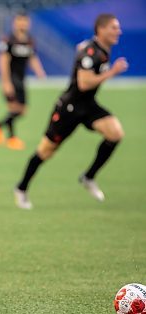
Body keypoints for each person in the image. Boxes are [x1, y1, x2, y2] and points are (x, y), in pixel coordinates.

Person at [14, 14, 128, 209]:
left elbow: (83, 52)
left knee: (115, 133)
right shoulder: (91, 52)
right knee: (45, 152)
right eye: (114, 28)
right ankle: (21, 188)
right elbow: (84, 83)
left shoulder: (98, 48)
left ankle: (88, 177)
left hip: (88, 105)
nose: (119, 31)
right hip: (69, 108)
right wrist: (112, 72)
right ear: (101, 29)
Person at [0, 12, 46, 150]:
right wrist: (6, 82)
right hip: (11, 78)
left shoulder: (29, 40)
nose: (23, 24)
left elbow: (32, 57)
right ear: (15, 22)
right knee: (14, 108)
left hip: (21, 79)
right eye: (20, 21)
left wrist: (39, 71)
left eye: (25, 21)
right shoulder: (8, 40)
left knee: (22, 110)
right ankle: (11, 138)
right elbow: (3, 61)